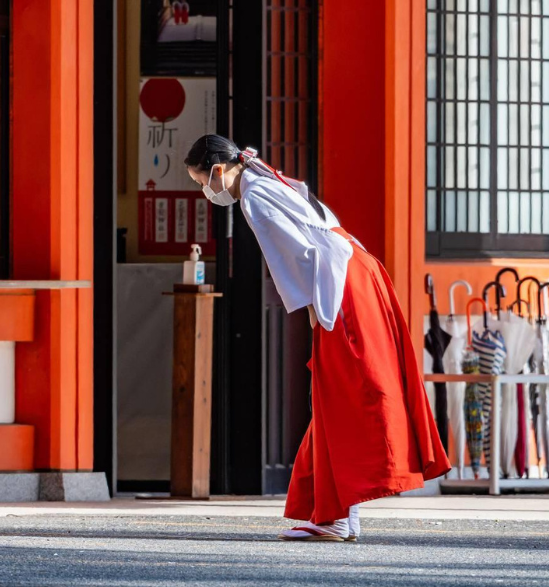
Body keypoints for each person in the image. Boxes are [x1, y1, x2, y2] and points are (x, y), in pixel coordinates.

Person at [185, 134, 451, 542]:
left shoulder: (255, 195)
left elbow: (299, 255)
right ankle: (337, 512)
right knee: (336, 395)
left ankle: (337, 516)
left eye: (203, 182)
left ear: (218, 171)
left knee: (342, 391)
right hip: (355, 271)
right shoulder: (266, 178)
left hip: (337, 283)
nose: (206, 192)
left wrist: (314, 311)